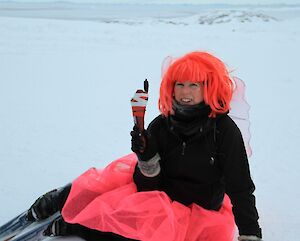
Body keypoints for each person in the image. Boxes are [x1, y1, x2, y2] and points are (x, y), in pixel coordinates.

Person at [28, 51, 262, 241]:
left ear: (209, 87)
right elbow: (146, 188)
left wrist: (250, 233)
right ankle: (60, 199)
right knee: (106, 187)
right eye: (180, 84)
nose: (185, 92)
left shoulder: (223, 130)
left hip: (197, 212)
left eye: (194, 85)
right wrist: (147, 158)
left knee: (136, 234)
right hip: (160, 195)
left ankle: (77, 226)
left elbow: (240, 186)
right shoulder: (161, 125)